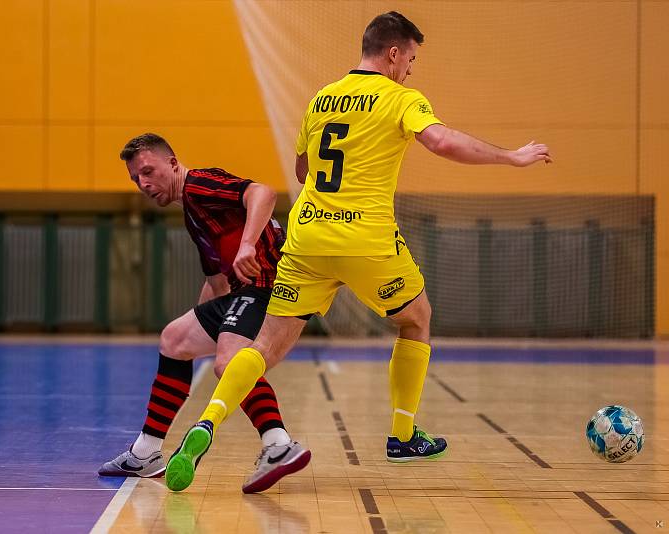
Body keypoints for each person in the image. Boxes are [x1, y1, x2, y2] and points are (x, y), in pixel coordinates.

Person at [166, 11, 552, 491]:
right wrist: (511, 157)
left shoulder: (321, 98)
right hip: (365, 238)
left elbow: (305, 169)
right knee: (416, 318)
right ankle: (403, 436)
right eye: (410, 58)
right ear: (393, 53)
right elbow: (442, 141)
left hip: (307, 236)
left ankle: (206, 423)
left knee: (263, 345)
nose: (411, 69)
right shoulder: (401, 98)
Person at [98, 133, 311, 494]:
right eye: (136, 179)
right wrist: (202, 326)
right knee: (174, 339)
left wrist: (247, 244)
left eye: (148, 171)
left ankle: (279, 444)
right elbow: (216, 283)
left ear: (174, 164)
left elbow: (263, 192)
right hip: (243, 292)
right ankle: (147, 452)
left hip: (270, 286)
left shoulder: (200, 185)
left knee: (229, 363)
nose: (144, 183)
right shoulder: (193, 214)